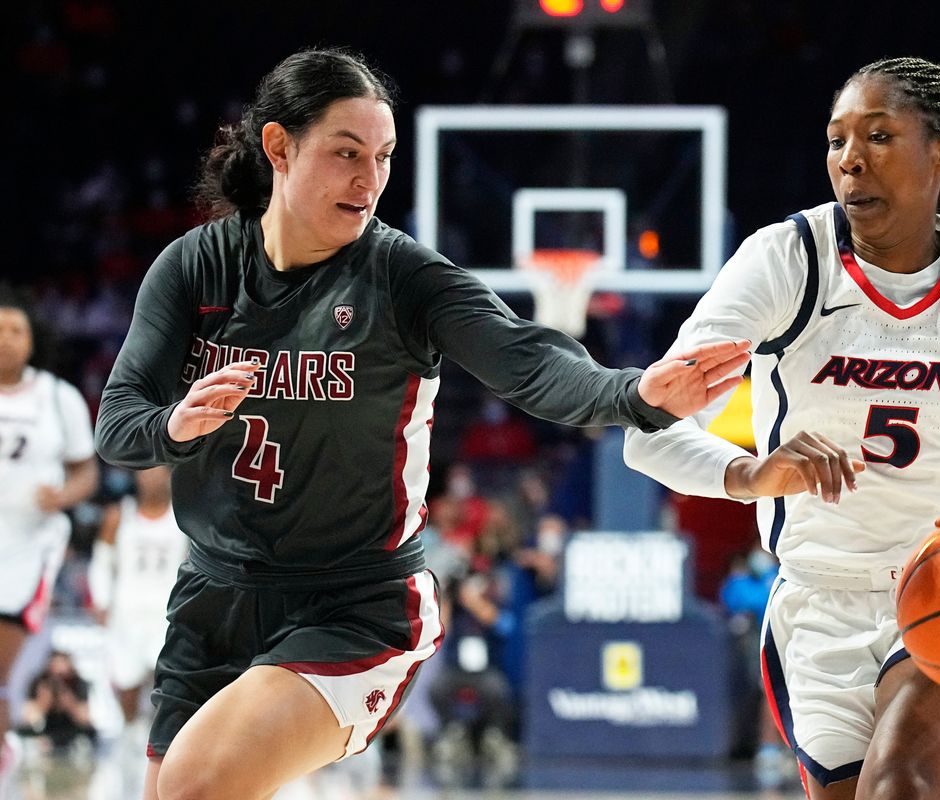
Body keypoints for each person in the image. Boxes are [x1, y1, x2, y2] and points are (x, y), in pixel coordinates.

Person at [93, 47, 749, 800]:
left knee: (197, 786)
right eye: (346, 154)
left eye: (383, 157)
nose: (369, 179)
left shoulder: (402, 277)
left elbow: (531, 361)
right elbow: (118, 424)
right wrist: (175, 424)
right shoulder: (194, 268)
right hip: (212, 596)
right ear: (278, 146)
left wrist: (635, 392)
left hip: (354, 605)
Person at [625, 56, 940, 800]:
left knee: (902, 789)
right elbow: (648, 433)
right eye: (836, 141)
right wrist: (749, 473)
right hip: (817, 604)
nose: (850, 160)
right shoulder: (784, 261)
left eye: (879, 136)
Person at [0, 290, 99, 789]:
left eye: (15, 330)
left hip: (30, 542)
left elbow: (86, 472)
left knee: (2, 657)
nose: (5, 339)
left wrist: (61, 496)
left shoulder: (57, 397)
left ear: (32, 341)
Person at [87, 465, 187, 794]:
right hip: (127, 615)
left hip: (166, 614)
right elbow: (101, 562)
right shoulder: (120, 516)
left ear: (170, 476)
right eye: (146, 472)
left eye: (158, 472)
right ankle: (127, 748)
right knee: (127, 689)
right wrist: (101, 600)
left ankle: (159, 757)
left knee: (164, 693)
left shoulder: (183, 520)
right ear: (137, 477)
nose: (152, 478)